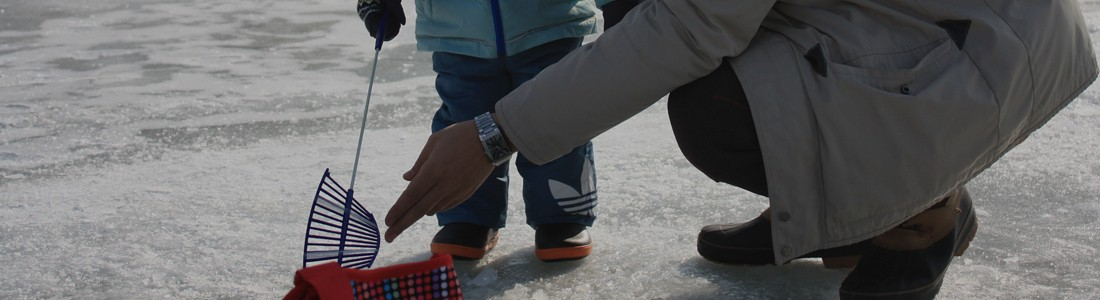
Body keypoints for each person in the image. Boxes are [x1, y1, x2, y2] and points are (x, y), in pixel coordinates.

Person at [380, 0, 1096, 299]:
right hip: (918, 27)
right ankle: (839, 208)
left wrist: (494, 135)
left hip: (978, 55)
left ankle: (918, 211)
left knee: (714, 110)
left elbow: (694, 26)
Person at [356, 0, 641, 262]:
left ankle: (561, 215)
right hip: (457, 32)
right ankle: (468, 217)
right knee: (464, 119)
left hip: (548, 24)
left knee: (555, 113)